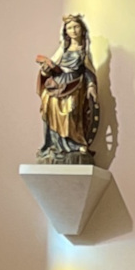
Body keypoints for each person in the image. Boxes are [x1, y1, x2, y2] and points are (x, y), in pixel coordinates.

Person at [36, 14, 99, 164]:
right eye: (69, 27)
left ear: (82, 29)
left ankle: (75, 144)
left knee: (70, 111)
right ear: (65, 31)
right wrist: (45, 70)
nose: (73, 30)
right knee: (49, 104)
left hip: (74, 84)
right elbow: (51, 68)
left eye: (76, 26)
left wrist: (91, 86)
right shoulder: (62, 50)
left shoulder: (83, 51)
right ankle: (55, 145)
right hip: (58, 83)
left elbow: (88, 71)